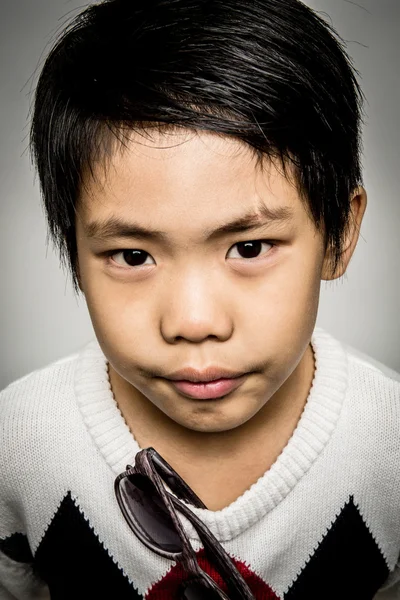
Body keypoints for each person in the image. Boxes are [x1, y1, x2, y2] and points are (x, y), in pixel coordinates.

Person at [0, 0, 399, 598]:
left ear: (338, 234)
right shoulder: (18, 441)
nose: (194, 322)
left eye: (250, 247)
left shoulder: (389, 444)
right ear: (72, 250)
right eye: (133, 256)